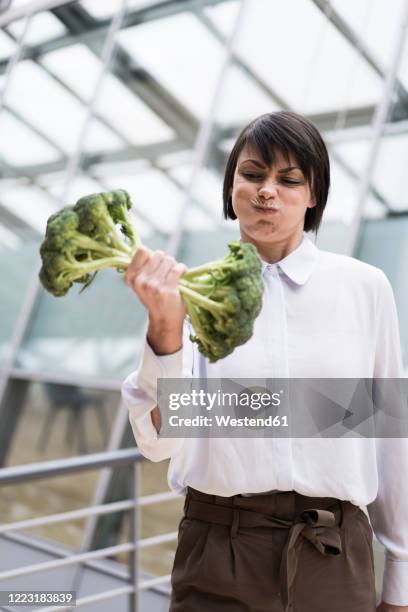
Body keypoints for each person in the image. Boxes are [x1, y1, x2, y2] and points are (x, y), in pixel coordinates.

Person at [121, 111, 408, 612]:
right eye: (252, 175)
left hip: (334, 554)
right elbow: (158, 441)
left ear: (313, 193)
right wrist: (165, 329)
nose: (266, 191)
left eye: (289, 179)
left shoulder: (364, 288)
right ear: (232, 186)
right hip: (217, 550)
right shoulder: (187, 292)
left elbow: (390, 439)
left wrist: (401, 577)